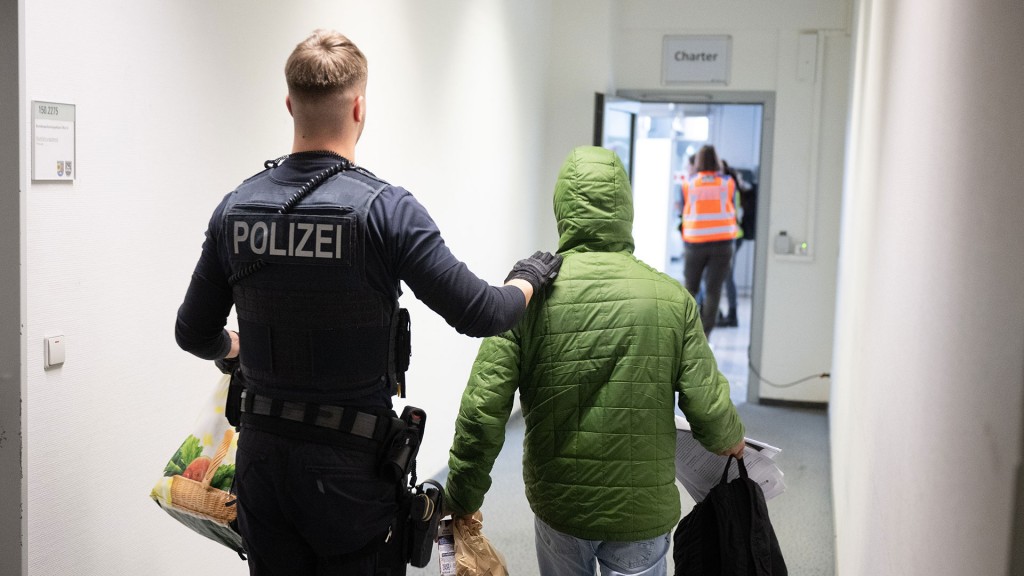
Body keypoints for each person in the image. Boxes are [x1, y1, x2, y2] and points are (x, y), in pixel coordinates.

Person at [173, 29, 561, 576]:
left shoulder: (235, 209)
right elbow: (485, 313)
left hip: (262, 466)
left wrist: (232, 347)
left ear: (290, 104)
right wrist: (528, 277)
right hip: (349, 476)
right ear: (359, 107)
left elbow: (193, 333)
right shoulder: (386, 212)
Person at [443, 146, 746, 576]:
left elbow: (482, 407)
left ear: (562, 209)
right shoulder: (670, 298)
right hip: (642, 511)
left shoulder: (526, 296)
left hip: (561, 506)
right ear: (625, 208)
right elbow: (709, 410)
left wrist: (462, 496)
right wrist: (731, 439)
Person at [681, 144, 737, 338]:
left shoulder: (690, 183)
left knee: (690, 289)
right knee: (714, 291)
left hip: (695, 242)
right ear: (717, 160)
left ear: (697, 161)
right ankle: (704, 335)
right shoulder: (727, 183)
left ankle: (685, 332)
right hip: (723, 243)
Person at [716, 159, 754, 328]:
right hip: (730, 236)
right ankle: (726, 314)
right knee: (723, 276)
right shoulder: (731, 186)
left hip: (732, 236)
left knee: (727, 275)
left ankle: (732, 315)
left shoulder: (729, 188)